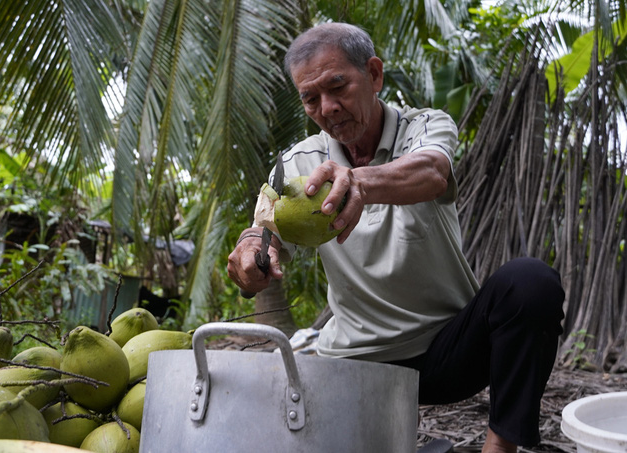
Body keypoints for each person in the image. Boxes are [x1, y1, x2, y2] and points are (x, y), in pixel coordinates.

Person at [227, 22, 565, 453]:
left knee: (530, 283)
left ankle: (498, 449)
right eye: (311, 99)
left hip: (448, 352)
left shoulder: (424, 127)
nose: (327, 108)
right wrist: (252, 254)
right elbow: (264, 230)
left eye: (338, 87)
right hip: (352, 361)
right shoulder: (298, 162)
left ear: (373, 74)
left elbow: (432, 172)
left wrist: (360, 184)